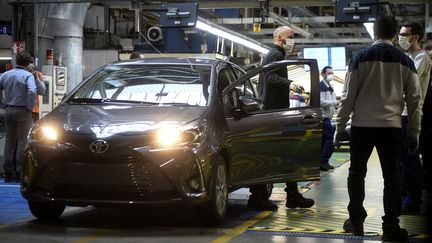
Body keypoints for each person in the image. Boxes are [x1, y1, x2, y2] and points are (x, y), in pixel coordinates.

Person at [334, 16, 421, 241]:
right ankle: (390, 226)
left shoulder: (360, 58)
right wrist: (413, 132)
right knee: (392, 176)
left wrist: (340, 126)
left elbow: (347, 97)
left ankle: (355, 222)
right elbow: (415, 100)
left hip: (362, 126)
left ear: (374, 33)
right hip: (391, 127)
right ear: (394, 34)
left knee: (356, 173)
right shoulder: (406, 61)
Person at [248, 25, 314, 210]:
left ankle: (288, 195)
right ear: (279, 37)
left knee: (283, 155)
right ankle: (260, 197)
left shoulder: (274, 55)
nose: (293, 40)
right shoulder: (276, 55)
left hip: (273, 113)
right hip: (273, 114)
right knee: (276, 155)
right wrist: (291, 83)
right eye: (290, 36)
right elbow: (271, 78)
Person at [398, 21, 432, 213]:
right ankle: (406, 197)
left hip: (410, 115)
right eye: (400, 34)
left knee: (410, 160)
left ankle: (413, 200)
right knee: (402, 160)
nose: (401, 37)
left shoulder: (422, 58)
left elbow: (406, 83)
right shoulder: (406, 57)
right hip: (399, 113)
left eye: (405, 34)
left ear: (415, 37)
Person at [0, 52, 37, 183]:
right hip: (23, 111)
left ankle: (8, 172)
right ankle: (19, 171)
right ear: (28, 64)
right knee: (22, 141)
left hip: (9, 110)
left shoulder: (5, 75)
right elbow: (32, 91)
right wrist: (30, 106)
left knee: (9, 141)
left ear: (16, 61)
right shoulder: (28, 76)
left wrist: (3, 102)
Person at [319, 66, 338, 171]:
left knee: (324, 140)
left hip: (328, 117)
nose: (331, 75)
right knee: (330, 139)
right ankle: (323, 160)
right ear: (323, 74)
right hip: (323, 117)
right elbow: (321, 102)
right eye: (329, 73)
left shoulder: (330, 87)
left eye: (332, 73)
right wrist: (335, 102)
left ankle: (321, 161)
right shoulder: (321, 86)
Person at [29, 56, 47, 122]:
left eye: (31, 63)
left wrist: (36, 78)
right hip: (23, 109)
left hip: (34, 110)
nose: (30, 65)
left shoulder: (38, 74)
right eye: (28, 63)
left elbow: (42, 91)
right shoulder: (21, 74)